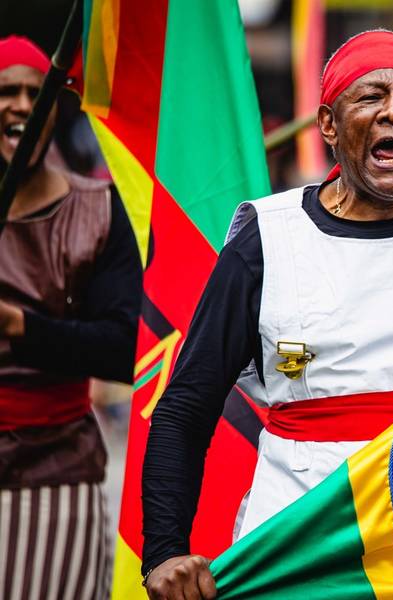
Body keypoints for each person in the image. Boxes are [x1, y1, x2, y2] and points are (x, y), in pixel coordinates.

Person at [141, 30, 393, 599]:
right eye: (370, 97)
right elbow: (185, 407)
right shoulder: (265, 242)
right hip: (303, 538)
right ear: (327, 124)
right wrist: (164, 553)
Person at [0, 36, 142, 599]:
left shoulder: (101, 210)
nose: (20, 105)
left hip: (56, 475)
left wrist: (19, 327)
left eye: (36, 93)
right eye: (5, 92)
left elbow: (126, 348)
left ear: (57, 108)